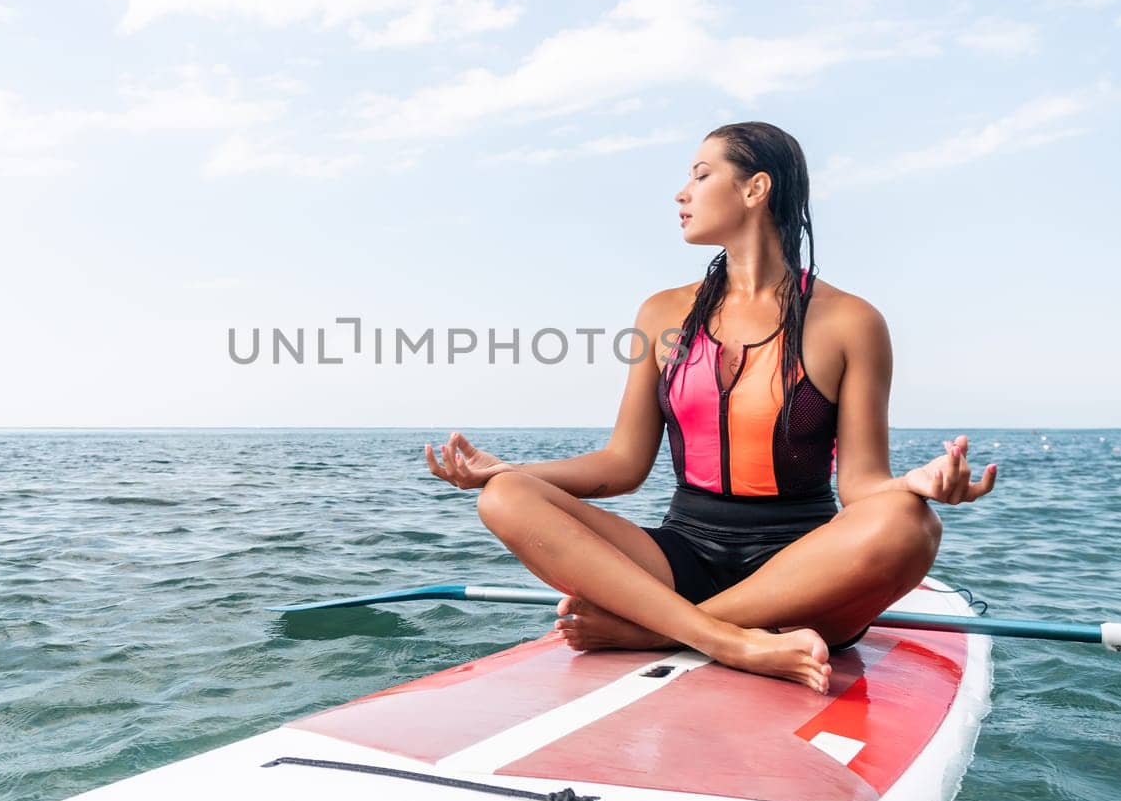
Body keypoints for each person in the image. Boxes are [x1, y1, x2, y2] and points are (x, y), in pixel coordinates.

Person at [423, 121, 996, 694]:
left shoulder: (852, 321)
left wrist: (916, 484)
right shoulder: (660, 313)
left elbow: (861, 488)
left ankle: (657, 631)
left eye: (701, 175)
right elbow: (622, 464)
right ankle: (726, 637)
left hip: (804, 576)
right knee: (506, 498)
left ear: (755, 189)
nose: (682, 193)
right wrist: (505, 471)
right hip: (678, 560)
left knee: (911, 525)